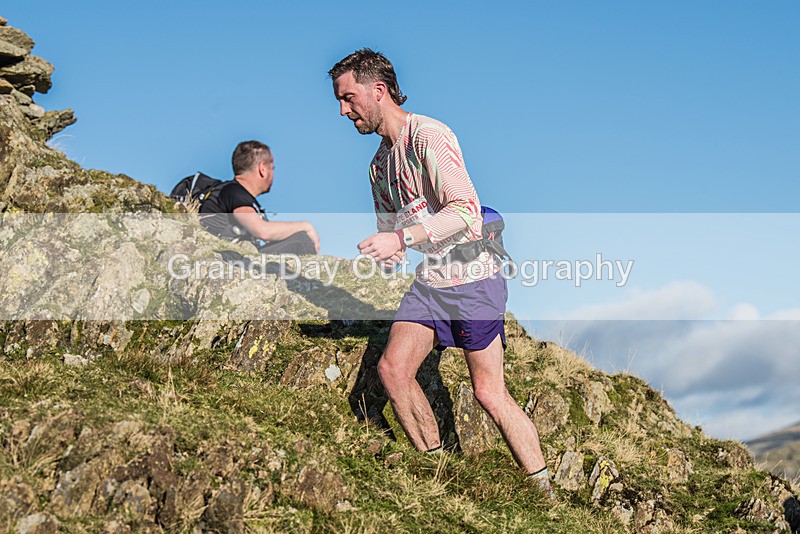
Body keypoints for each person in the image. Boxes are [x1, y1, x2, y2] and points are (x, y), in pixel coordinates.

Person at [329, 49, 554, 497]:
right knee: (393, 369)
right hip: (432, 280)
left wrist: (400, 240)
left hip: (474, 276)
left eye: (349, 98)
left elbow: (467, 212)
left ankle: (545, 492)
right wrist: (388, 248)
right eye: (339, 100)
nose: (343, 110)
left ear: (380, 91)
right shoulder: (377, 167)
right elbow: (390, 230)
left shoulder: (428, 135)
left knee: (488, 393)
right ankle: (438, 477)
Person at [200, 140, 320, 255]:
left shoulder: (237, 195)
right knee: (301, 240)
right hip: (226, 260)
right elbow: (263, 231)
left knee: (298, 239)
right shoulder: (234, 192)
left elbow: (271, 238)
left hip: (231, 257)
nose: (273, 174)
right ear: (262, 168)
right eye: (272, 168)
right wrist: (306, 226)